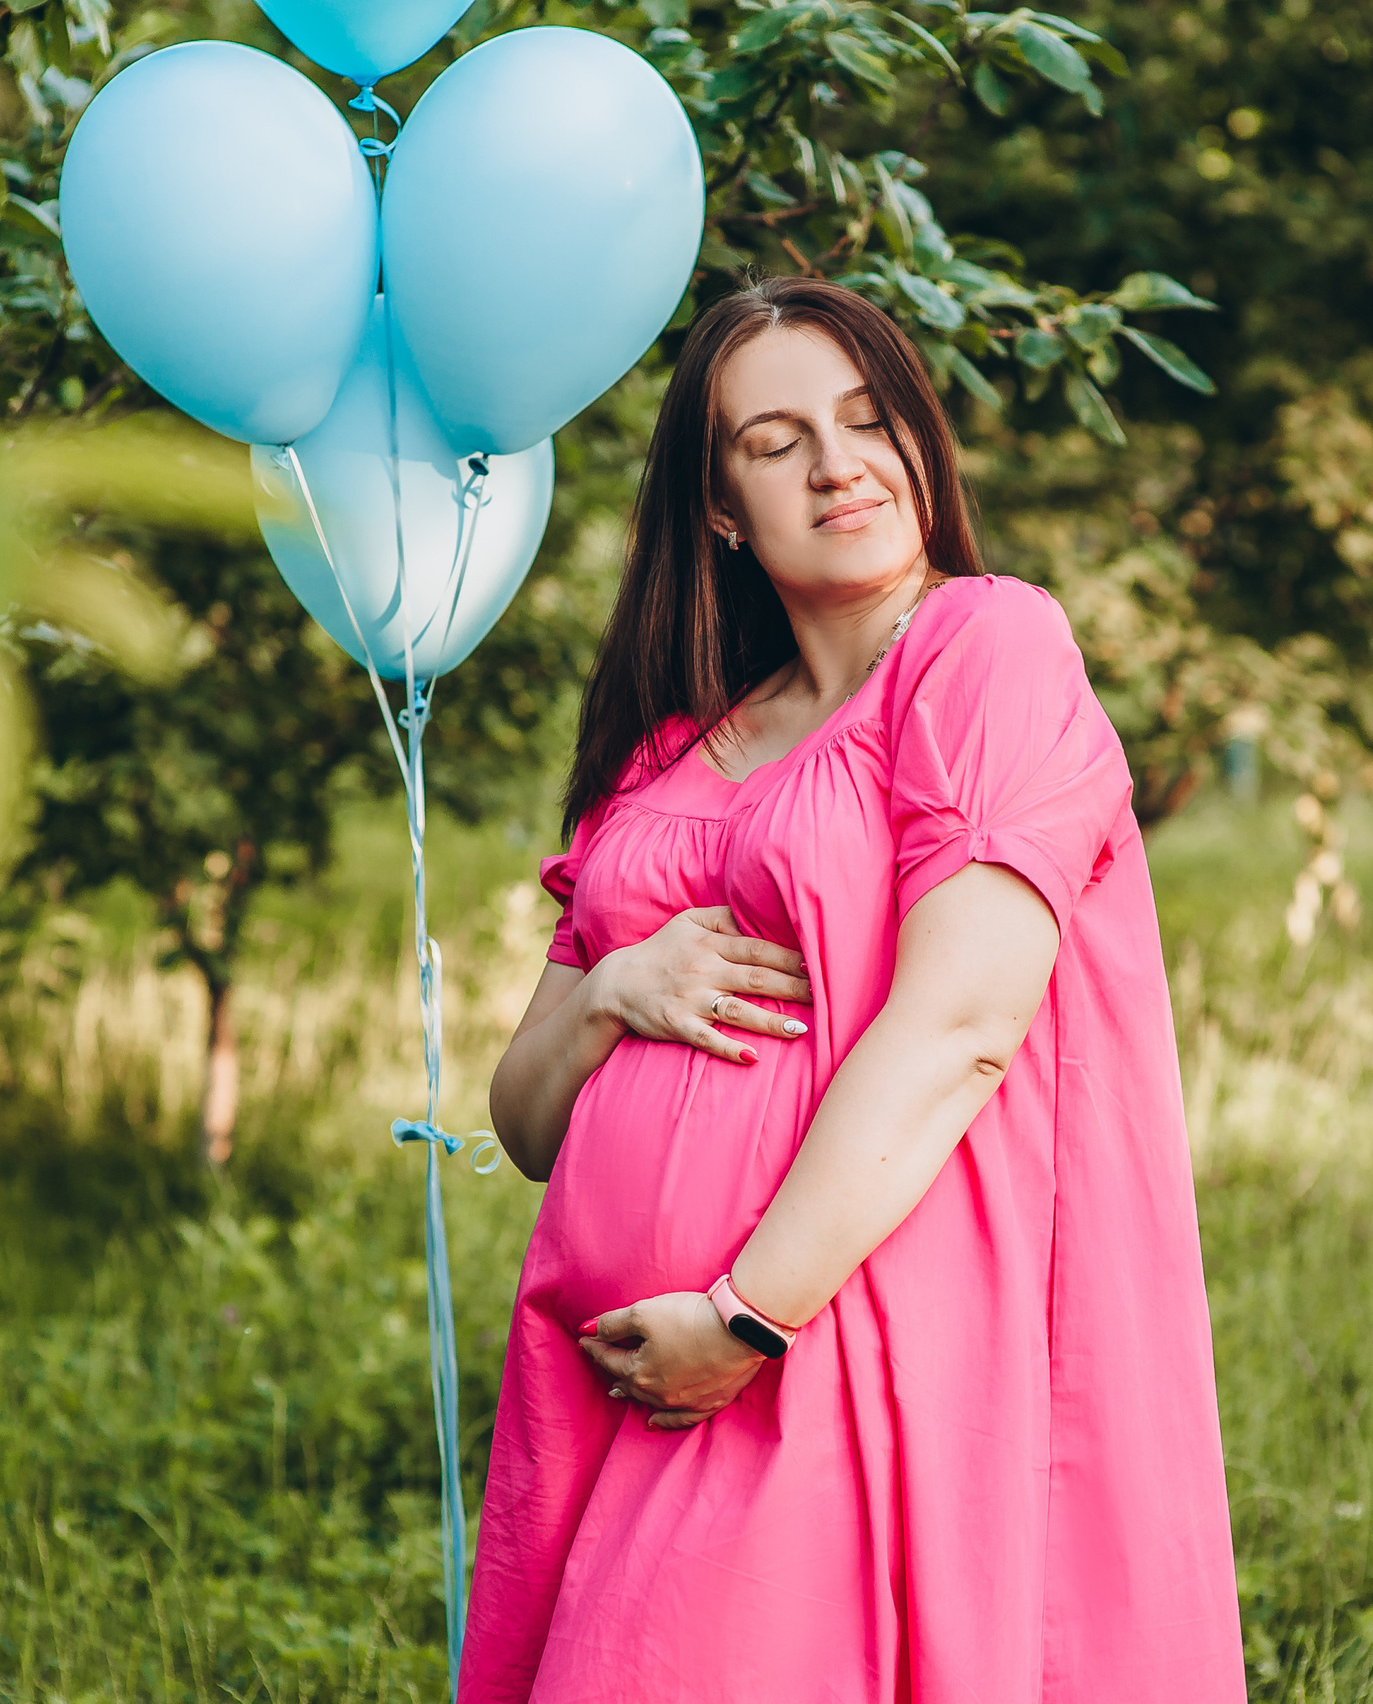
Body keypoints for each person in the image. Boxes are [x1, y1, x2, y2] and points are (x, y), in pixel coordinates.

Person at [467, 276, 1245, 1702]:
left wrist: (746, 1318)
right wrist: (613, 989)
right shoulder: (670, 750)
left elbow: (961, 1028)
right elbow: (523, 1122)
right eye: (776, 442)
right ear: (719, 505)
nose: (838, 464)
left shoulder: (985, 649)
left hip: (823, 1338)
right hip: (617, 1376)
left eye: (868, 419)